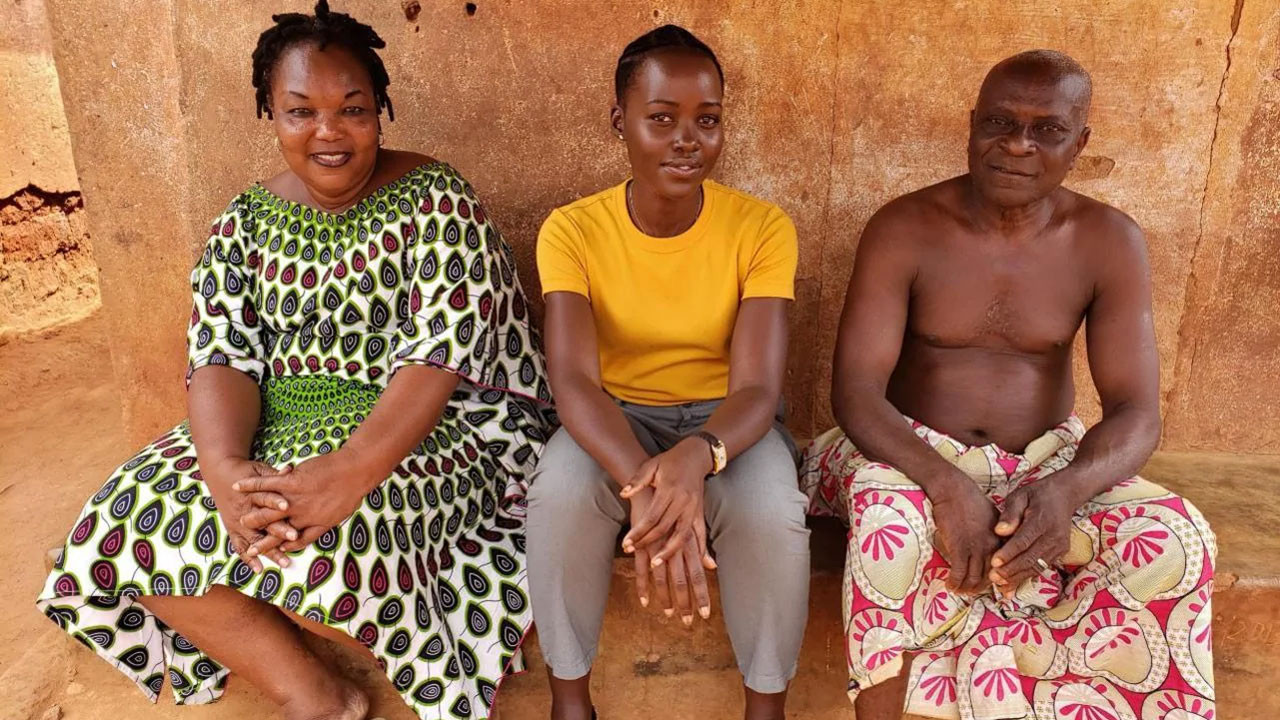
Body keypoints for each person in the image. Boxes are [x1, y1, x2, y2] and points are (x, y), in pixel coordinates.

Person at [35, 3, 553, 719]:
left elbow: (438, 360)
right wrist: (223, 472)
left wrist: (345, 477)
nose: (328, 132)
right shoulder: (243, 221)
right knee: (128, 517)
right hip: (281, 420)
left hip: (434, 427)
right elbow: (220, 356)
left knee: (343, 528)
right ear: (270, 113)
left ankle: (431, 672)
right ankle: (315, 695)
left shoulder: (439, 200)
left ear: (382, 110)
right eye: (300, 111)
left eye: (353, 109)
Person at [802, 50, 1216, 720]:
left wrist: (1065, 490)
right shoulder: (904, 228)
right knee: (890, 526)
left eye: (1046, 129)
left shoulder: (1108, 241)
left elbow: (1137, 411)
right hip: (902, 451)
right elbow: (855, 393)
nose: (1017, 145)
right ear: (971, 125)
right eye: (998, 122)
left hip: (1044, 461)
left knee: (1177, 536)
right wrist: (944, 483)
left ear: (1079, 143)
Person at [526, 24, 810, 720]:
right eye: (661, 119)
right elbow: (573, 383)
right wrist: (645, 487)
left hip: (726, 425)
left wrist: (696, 457)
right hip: (612, 419)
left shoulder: (762, 229)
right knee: (559, 495)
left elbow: (756, 389)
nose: (688, 139)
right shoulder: (573, 230)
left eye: (706, 120)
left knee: (771, 513)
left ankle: (765, 707)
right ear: (619, 121)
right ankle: (570, 701)